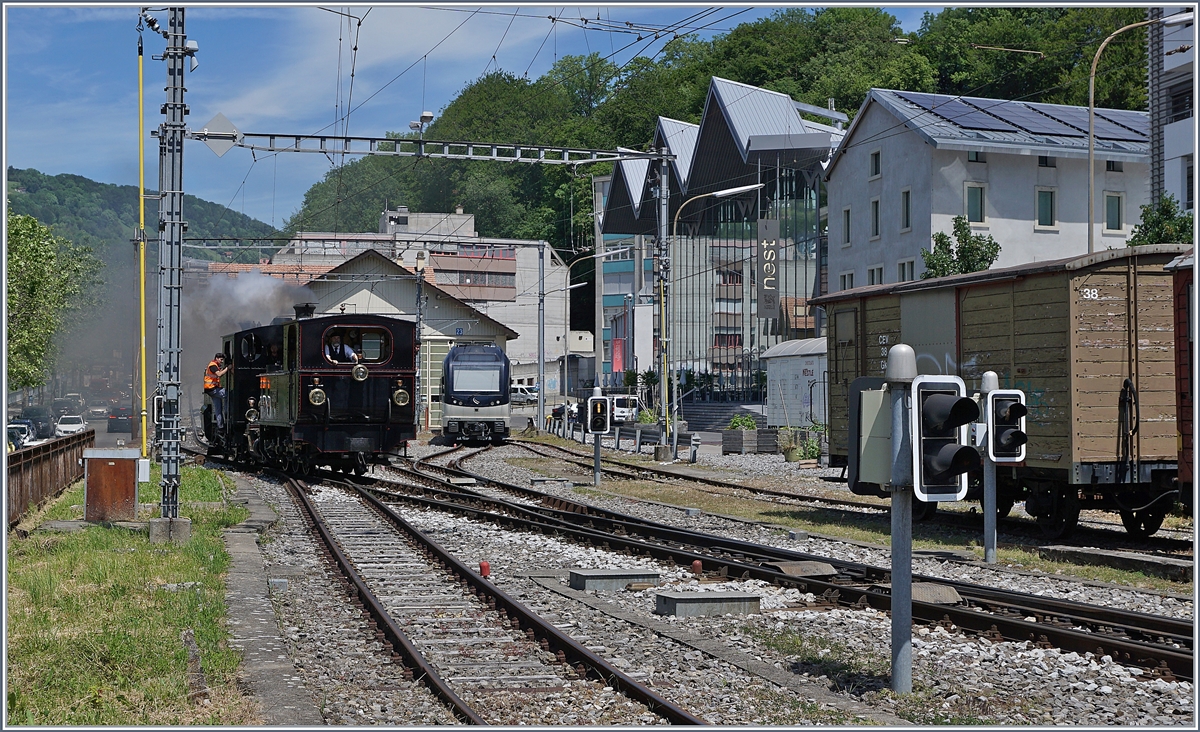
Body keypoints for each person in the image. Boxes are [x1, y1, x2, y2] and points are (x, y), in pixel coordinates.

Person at [204, 353, 230, 429]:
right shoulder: (212, 365)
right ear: (217, 358)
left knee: (218, 408)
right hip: (212, 389)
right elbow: (219, 374)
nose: (222, 361)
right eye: (221, 359)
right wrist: (227, 368)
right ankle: (227, 412)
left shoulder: (215, 366)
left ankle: (220, 426)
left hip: (211, 390)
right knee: (228, 394)